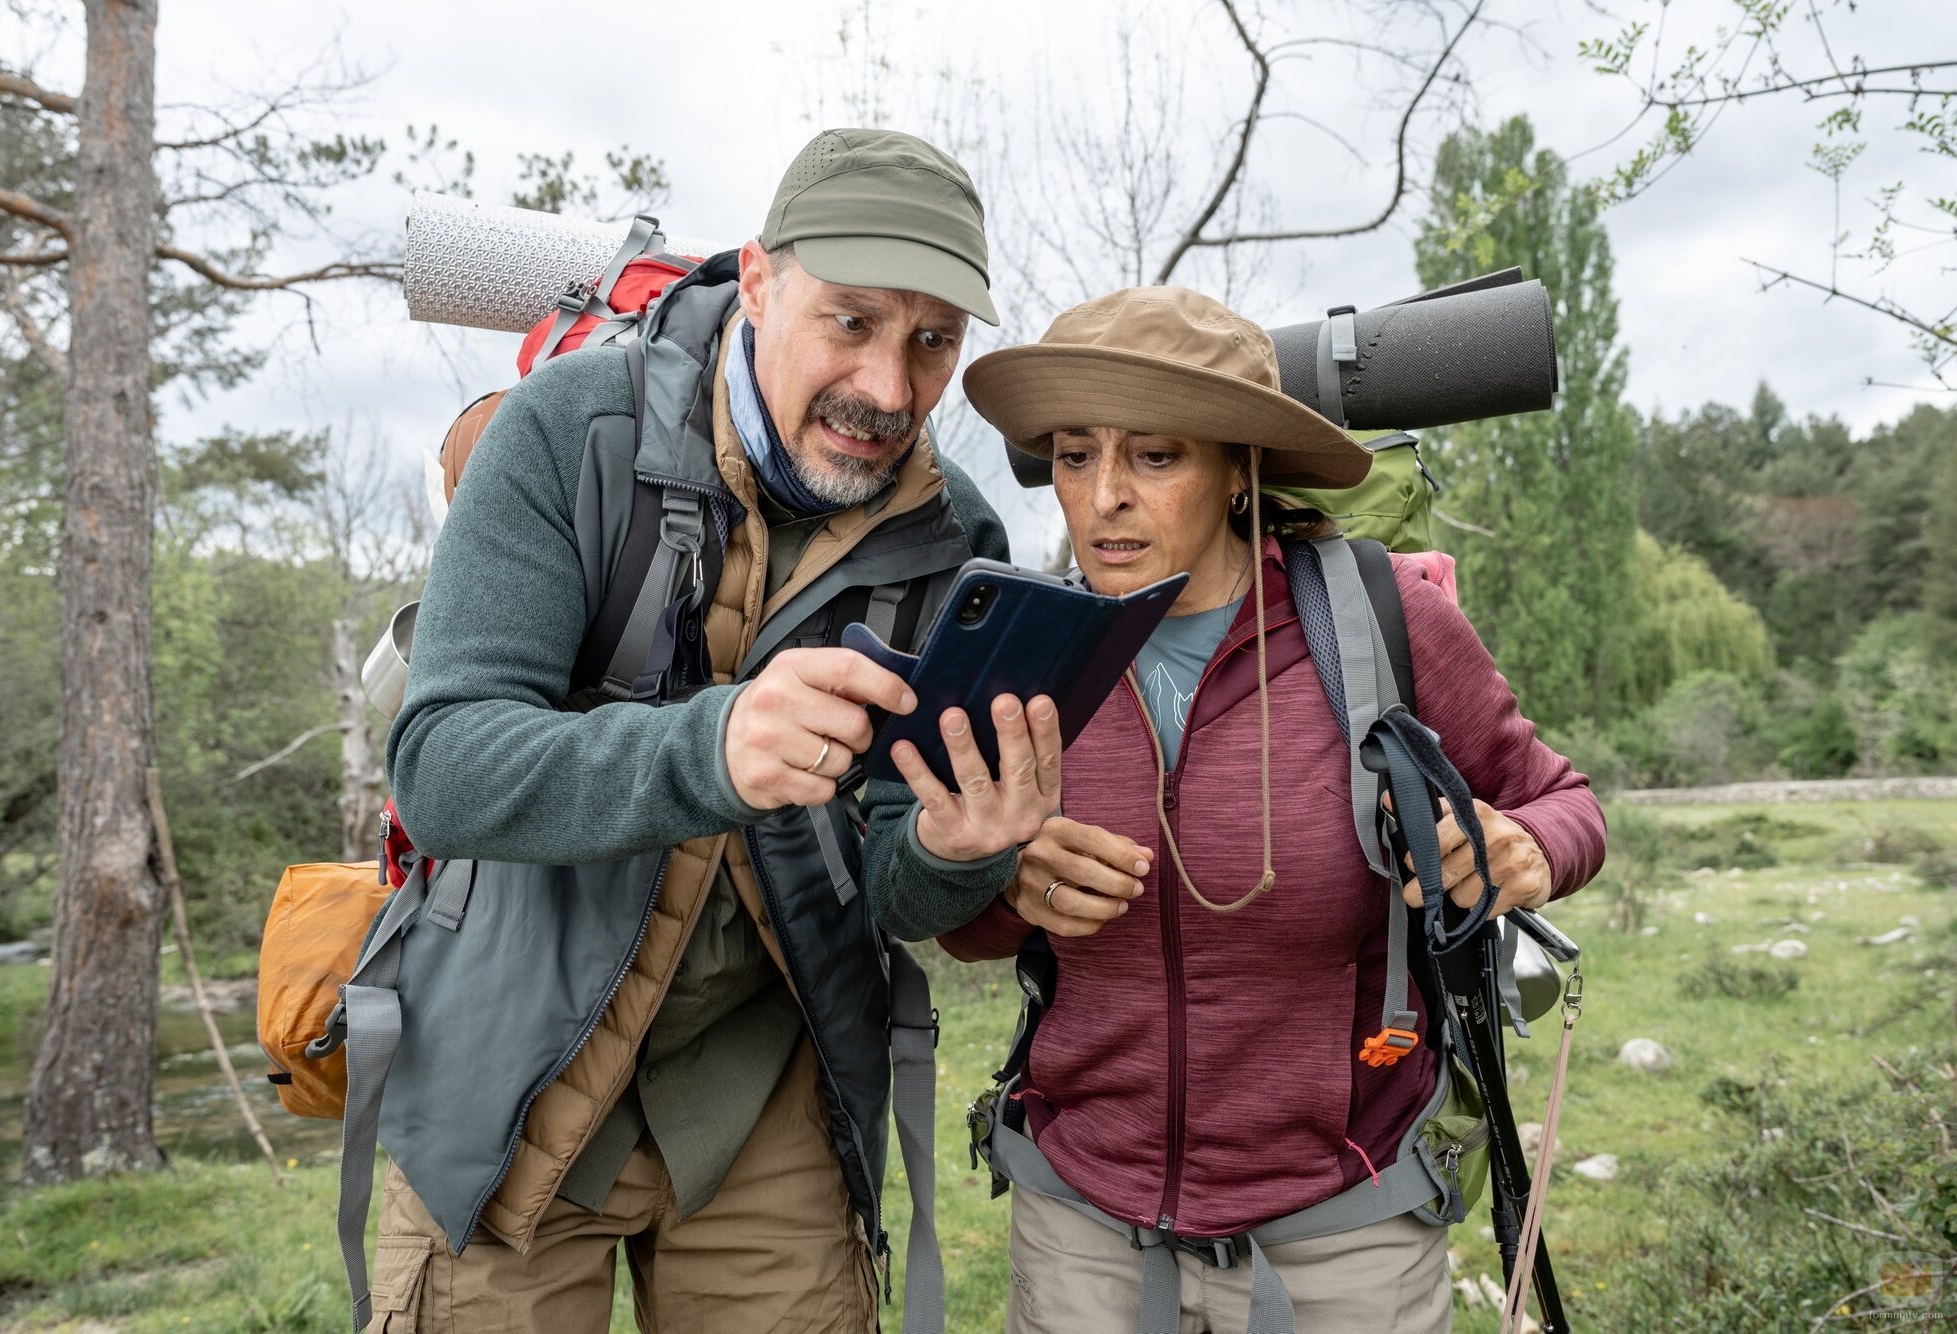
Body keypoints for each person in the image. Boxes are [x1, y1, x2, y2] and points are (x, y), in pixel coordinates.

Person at [371, 129, 1061, 1333]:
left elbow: (898, 892)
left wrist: (961, 848)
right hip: (509, 1069)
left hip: (764, 1086)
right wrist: (709, 747)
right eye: (849, 321)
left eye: (932, 340)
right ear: (757, 281)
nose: (889, 390)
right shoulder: (562, 432)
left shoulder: (959, 548)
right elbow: (441, 764)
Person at [863, 286, 1609, 1333]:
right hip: (1082, 1226)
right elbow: (953, 919)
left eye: (1154, 456)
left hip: (1345, 1231)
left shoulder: (1383, 622)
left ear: (1233, 467)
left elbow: (1562, 800)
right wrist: (998, 873)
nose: (1104, 496)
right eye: (1074, 455)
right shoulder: (1019, 657)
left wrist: (1526, 847)